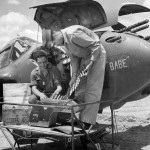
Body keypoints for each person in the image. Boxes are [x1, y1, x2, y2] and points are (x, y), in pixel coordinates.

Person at [42, 25, 106, 127]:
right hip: (85, 57)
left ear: (56, 35)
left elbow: (96, 46)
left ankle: (87, 121)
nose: (55, 45)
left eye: (54, 43)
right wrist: (74, 76)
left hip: (96, 55)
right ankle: (79, 118)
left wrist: (91, 64)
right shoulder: (63, 44)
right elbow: (74, 58)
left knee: (92, 89)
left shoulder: (73, 34)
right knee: (79, 87)